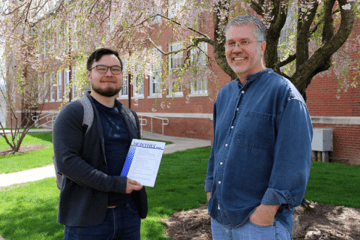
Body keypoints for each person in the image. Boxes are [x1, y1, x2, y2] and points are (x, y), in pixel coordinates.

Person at [204, 15, 313, 239]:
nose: (236, 49)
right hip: (219, 220)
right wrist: (210, 190)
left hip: (259, 227)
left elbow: (293, 164)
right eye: (231, 43)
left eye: (245, 42)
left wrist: (265, 213)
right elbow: (217, 151)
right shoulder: (224, 95)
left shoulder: (284, 94)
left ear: (262, 47)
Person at [53, 48, 147, 240]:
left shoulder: (130, 116)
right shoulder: (74, 113)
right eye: (101, 68)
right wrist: (116, 184)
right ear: (89, 74)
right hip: (87, 220)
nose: (109, 74)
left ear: (122, 75)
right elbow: (67, 162)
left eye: (115, 69)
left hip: (129, 214)